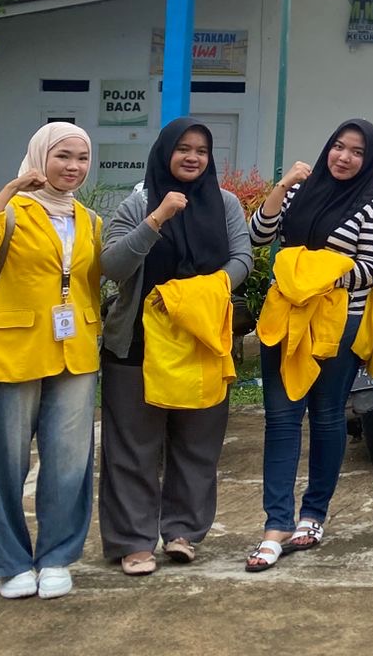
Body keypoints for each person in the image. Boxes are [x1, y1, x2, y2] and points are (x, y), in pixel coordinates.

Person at [98, 117, 253, 575]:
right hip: (137, 346)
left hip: (203, 340)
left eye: (202, 151)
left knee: (197, 444)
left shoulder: (224, 204)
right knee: (132, 448)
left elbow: (242, 257)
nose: (192, 157)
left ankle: (182, 531)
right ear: (165, 152)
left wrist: (202, 294)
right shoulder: (139, 201)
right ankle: (133, 541)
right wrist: (158, 218)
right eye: (183, 148)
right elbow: (112, 265)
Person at [0, 124, 100, 600]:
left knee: (68, 464)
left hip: (73, 353)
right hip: (8, 352)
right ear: (39, 156)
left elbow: (90, 285)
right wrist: (10, 189)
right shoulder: (10, 211)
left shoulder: (90, 221)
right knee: (5, 464)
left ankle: (57, 556)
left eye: (81, 157)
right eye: (62, 156)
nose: (73, 166)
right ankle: (9, 562)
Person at [244, 119, 373, 570]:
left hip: (338, 326)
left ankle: (313, 515)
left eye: (356, 152)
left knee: (328, 417)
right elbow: (259, 236)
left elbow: (371, 268)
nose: (344, 158)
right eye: (338, 147)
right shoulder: (296, 194)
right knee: (281, 418)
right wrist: (284, 183)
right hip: (285, 322)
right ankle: (276, 525)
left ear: (368, 162)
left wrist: (308, 275)